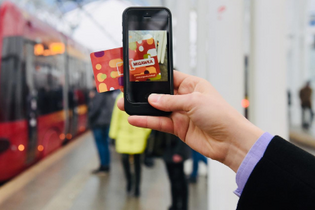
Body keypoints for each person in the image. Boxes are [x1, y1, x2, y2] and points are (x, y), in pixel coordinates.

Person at [119, 70, 315, 207]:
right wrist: (235, 145)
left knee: (179, 180)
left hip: (177, 149)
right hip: (170, 148)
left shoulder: (183, 113)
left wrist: (233, 145)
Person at [110, 96, 149, 197]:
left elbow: (146, 116)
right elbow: (116, 117)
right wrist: (113, 135)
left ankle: (137, 187)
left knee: (137, 163)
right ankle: (129, 181)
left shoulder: (140, 96)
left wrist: (146, 133)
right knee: (125, 161)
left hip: (138, 135)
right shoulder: (120, 98)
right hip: (124, 136)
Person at [87, 88, 116, 174]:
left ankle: (103, 166)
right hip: (107, 121)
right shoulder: (110, 93)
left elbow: (95, 108)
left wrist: (89, 118)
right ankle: (106, 165)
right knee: (106, 145)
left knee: (101, 145)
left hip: (99, 123)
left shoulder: (99, 93)